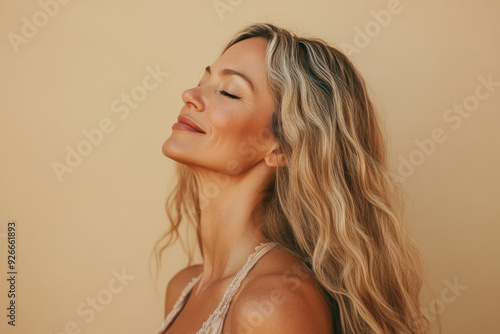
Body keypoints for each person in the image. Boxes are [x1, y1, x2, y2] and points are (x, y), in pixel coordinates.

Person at [151, 23, 440, 334]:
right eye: (202, 80)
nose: (190, 94)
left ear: (281, 146)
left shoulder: (272, 306)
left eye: (228, 92)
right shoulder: (183, 289)